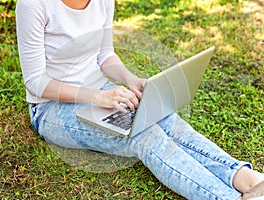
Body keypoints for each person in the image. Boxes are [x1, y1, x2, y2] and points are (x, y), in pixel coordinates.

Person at [15, 0, 264, 199]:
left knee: (164, 118)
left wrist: (131, 79)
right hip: (52, 109)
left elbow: (105, 54)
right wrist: (98, 96)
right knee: (144, 136)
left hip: (100, 93)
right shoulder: (33, 5)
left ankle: (248, 180)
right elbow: (36, 82)